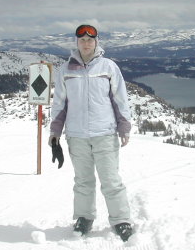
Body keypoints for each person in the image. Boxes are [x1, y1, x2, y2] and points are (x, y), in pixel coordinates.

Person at [49, 24, 133, 242]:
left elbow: (120, 98)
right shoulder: (66, 70)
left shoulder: (108, 67)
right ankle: (84, 218)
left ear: (97, 42)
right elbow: (59, 103)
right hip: (77, 135)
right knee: (83, 181)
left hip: (104, 132)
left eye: (90, 40)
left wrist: (124, 126)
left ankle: (121, 220)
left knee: (111, 180)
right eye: (82, 40)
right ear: (76, 43)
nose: (86, 43)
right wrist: (55, 132)